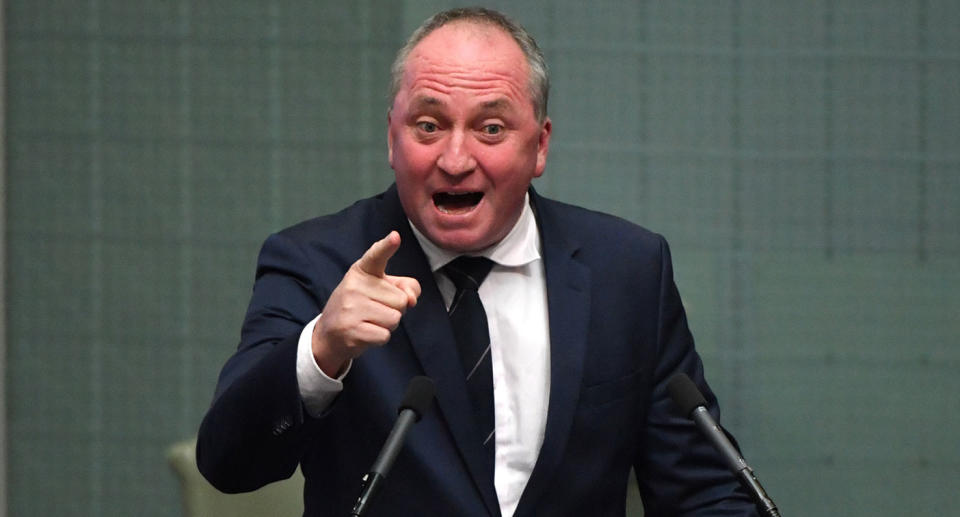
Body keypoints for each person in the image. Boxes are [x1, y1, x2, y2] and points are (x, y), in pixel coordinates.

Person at [197, 7, 759, 517]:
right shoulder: (317, 263)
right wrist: (321, 350)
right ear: (392, 140)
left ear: (539, 146)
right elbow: (229, 464)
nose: (456, 158)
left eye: (491, 128)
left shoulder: (627, 271)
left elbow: (703, 491)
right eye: (429, 126)